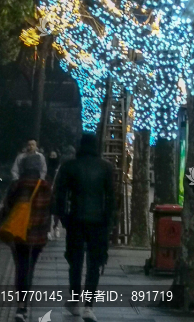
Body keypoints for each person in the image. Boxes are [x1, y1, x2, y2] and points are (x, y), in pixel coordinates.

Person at [54, 132, 116, 320]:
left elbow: (60, 194)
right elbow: (111, 198)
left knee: (75, 262)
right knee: (94, 263)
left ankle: (74, 301)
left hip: (76, 219)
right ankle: (89, 305)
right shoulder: (106, 168)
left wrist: (64, 217)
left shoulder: (69, 166)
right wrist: (108, 220)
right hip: (98, 221)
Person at [4, 168, 52, 322]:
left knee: (22, 266)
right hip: (38, 234)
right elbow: (52, 208)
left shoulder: (17, 185)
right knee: (31, 266)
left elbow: (8, 206)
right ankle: (25, 299)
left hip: (20, 233)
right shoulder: (46, 186)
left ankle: (21, 306)